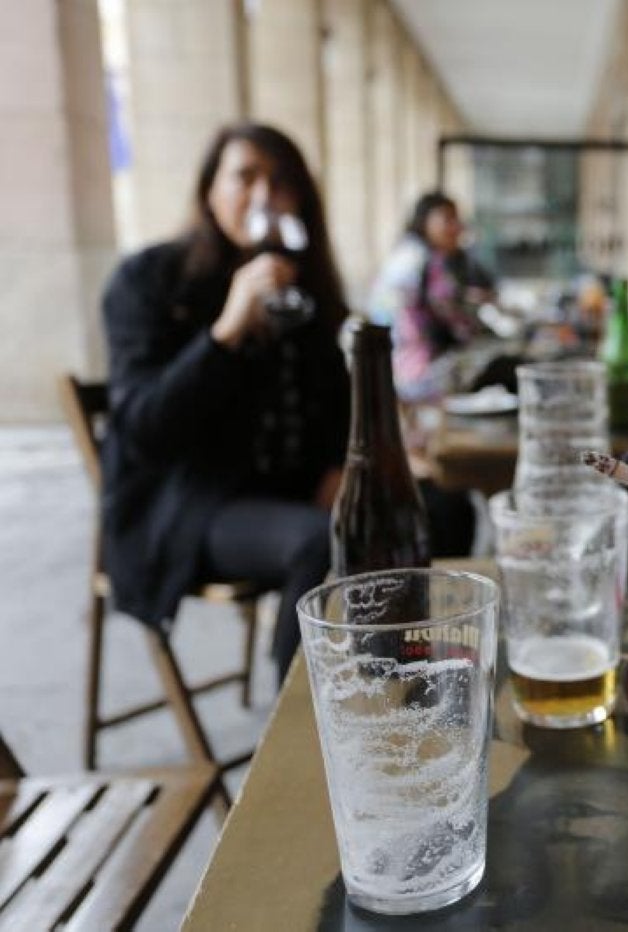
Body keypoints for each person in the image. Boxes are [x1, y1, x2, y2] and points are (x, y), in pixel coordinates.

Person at [101, 123, 350, 682]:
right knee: (320, 542)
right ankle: (299, 739)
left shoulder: (303, 289)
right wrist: (228, 329)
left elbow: (338, 394)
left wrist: (338, 465)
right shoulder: (148, 280)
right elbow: (144, 428)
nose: (263, 195)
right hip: (187, 507)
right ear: (210, 189)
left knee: (431, 507)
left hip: (286, 494)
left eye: (281, 181)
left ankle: (393, 689)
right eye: (245, 176)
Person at [367, 191, 498, 402]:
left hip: (398, 367)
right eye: (448, 219)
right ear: (424, 220)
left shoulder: (411, 253)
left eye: (456, 219)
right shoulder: (418, 258)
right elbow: (448, 316)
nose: (457, 227)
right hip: (417, 371)